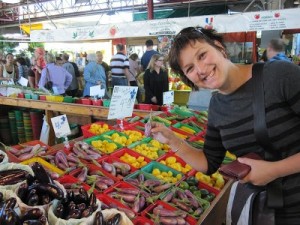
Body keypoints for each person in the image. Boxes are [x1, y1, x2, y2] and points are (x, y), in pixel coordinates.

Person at [150, 27, 300, 225]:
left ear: (219, 47)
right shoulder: (217, 106)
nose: (201, 70)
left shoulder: (279, 75)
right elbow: (209, 163)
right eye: (190, 69)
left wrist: (274, 170)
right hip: (264, 212)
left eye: (202, 55)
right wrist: (173, 141)